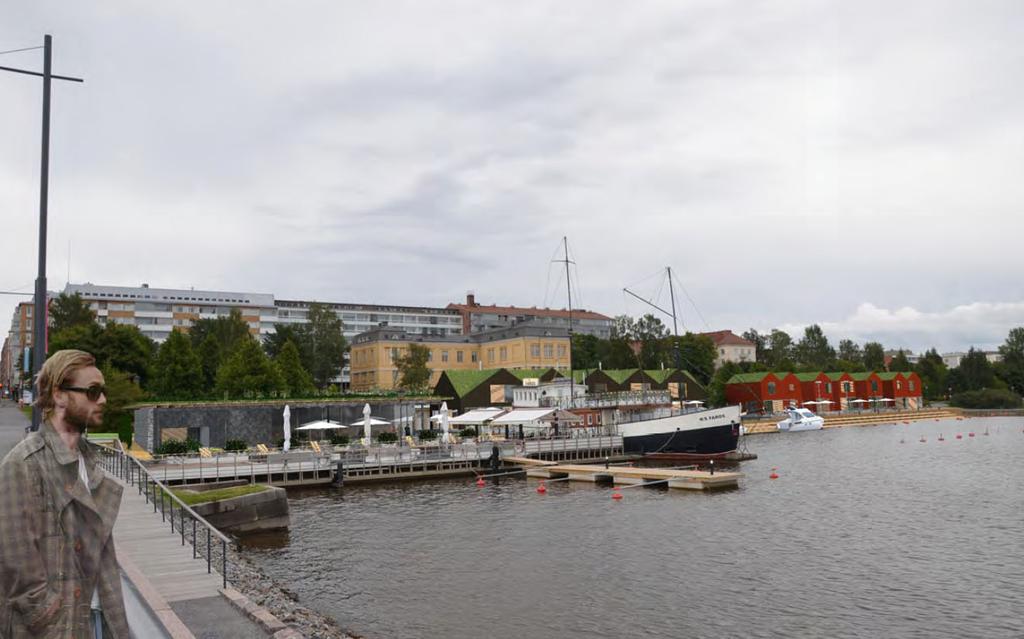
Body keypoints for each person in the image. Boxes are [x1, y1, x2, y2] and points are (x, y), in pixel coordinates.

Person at [0, 350, 129, 637]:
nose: (104, 400)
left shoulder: (88, 461)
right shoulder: (23, 464)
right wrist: (54, 624)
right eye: (93, 391)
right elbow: (18, 569)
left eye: (103, 391)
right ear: (59, 396)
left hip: (95, 618)